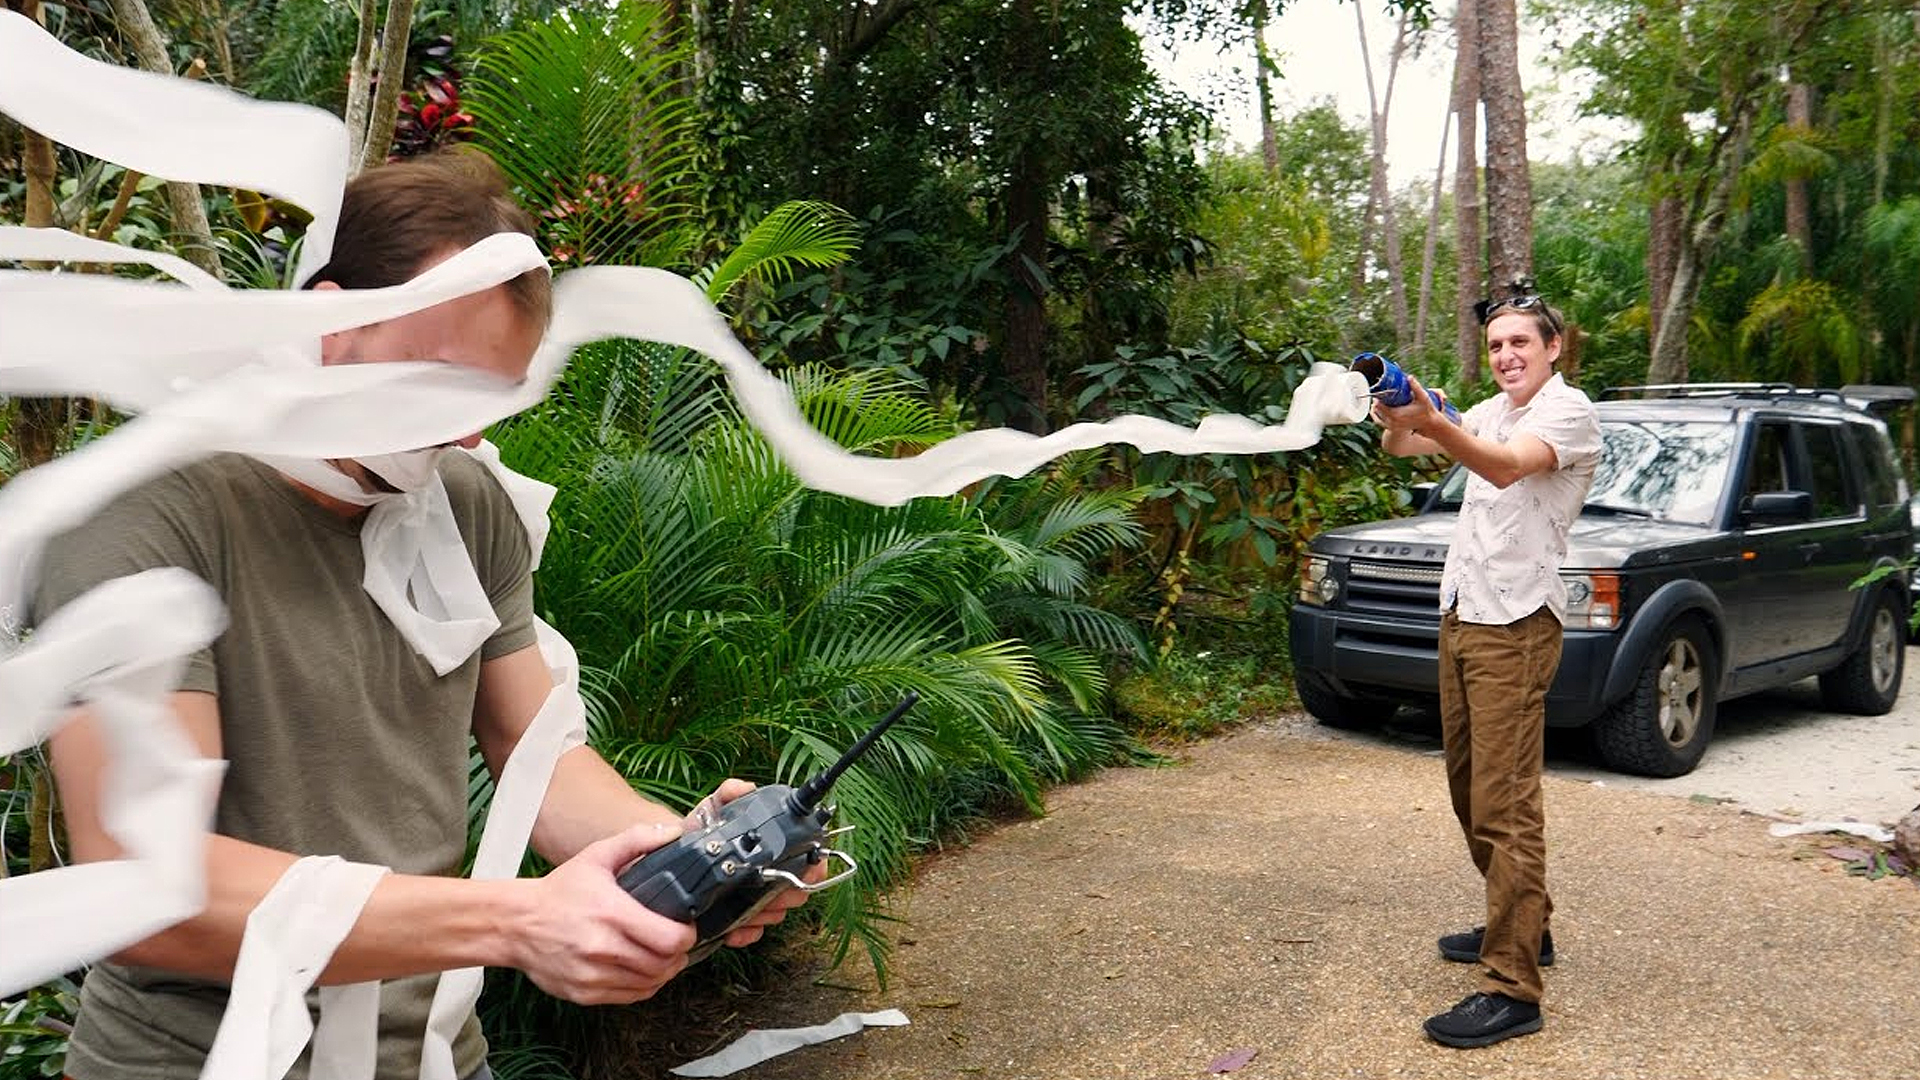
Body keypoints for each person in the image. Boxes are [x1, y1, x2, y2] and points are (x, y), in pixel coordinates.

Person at [31, 151, 811, 1080]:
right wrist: (517, 921)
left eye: (493, 397)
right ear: (330, 322)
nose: (467, 433)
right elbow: (146, 884)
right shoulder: (147, 512)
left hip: (436, 1055)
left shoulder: (465, 503)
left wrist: (687, 853)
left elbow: (543, 763)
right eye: (442, 381)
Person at [1370, 291, 1601, 1049]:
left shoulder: (1567, 413)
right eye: (1497, 345)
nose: (1506, 356)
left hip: (1516, 625)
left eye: (1520, 342)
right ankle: (1526, 925)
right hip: (1464, 613)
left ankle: (1512, 988)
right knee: (1469, 788)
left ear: (1553, 347)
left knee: (1506, 803)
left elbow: (1504, 469)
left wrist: (1435, 422)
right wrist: (1395, 411)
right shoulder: (1490, 410)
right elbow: (1403, 448)